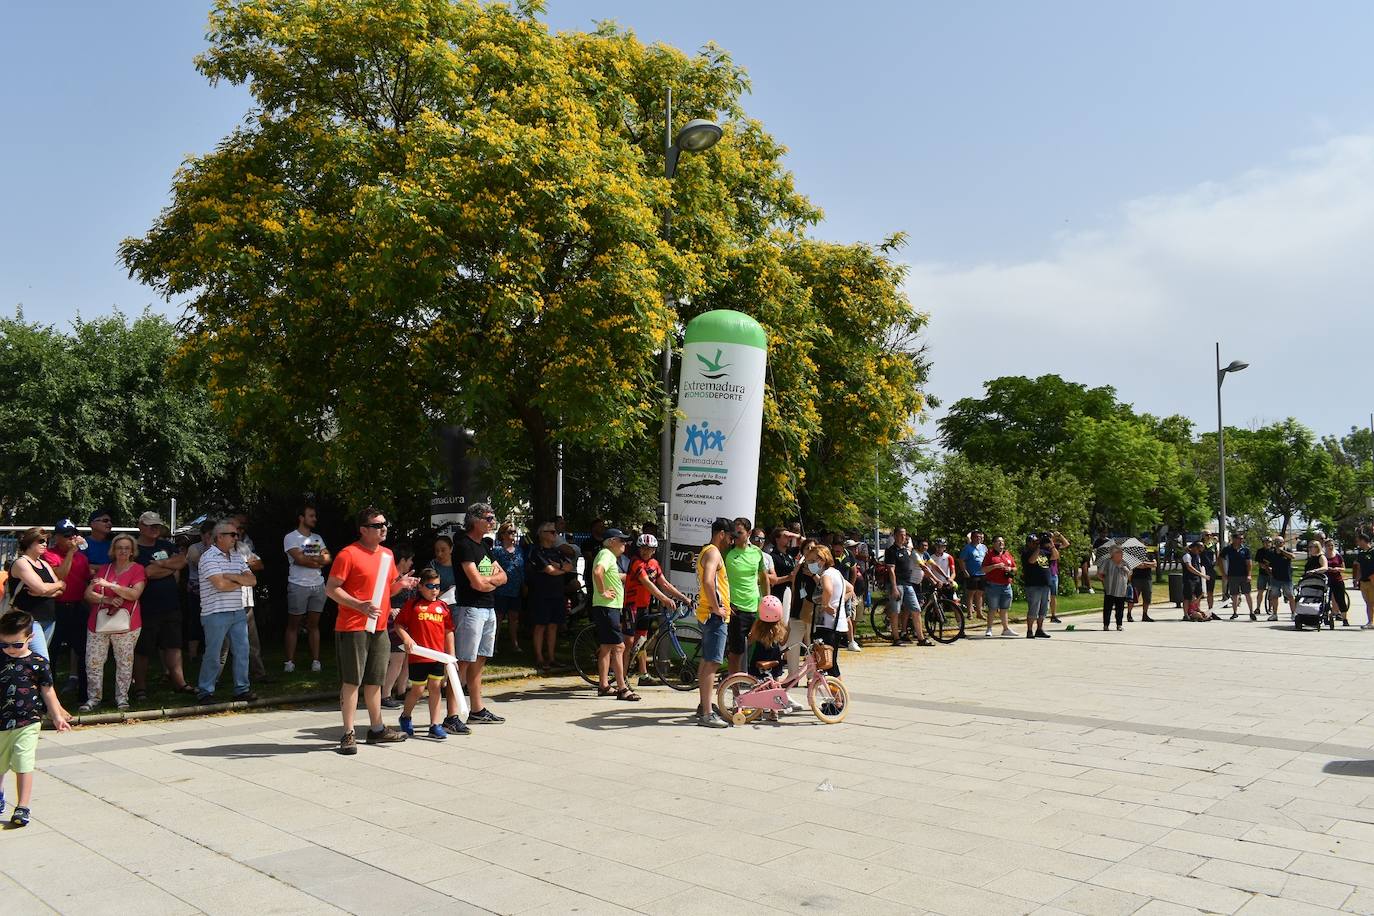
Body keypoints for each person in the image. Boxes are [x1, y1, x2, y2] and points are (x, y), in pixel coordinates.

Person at [324, 507, 417, 754]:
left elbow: (388, 589)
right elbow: (331, 589)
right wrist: (358, 605)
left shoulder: (387, 555)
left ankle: (376, 729)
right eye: (377, 525)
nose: (383, 528)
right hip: (353, 626)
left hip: (379, 627)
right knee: (352, 681)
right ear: (363, 530)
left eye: (384, 524)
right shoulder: (348, 554)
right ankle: (348, 733)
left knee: (375, 680)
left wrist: (402, 583)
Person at [0, 610, 73, 828]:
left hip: (27, 722)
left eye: (16, 644)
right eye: (4, 645)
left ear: (30, 638)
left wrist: (57, 716)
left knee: (24, 763)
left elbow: (47, 691)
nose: (10, 650)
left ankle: (22, 806)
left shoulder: (38, 662)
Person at [452, 503, 508, 724]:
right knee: (463, 662)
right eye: (489, 517)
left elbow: (504, 576)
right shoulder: (464, 545)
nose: (492, 521)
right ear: (475, 520)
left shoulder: (484, 545)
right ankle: (452, 714)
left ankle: (477, 709)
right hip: (471, 610)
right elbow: (476, 583)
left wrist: (490, 582)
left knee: (480, 660)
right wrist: (491, 582)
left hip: (488, 608)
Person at [132, 511, 194, 701]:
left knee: (174, 645)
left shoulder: (166, 545)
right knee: (143, 649)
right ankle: (140, 687)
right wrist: (169, 568)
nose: (154, 529)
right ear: (141, 526)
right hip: (146, 607)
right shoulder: (134, 549)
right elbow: (146, 573)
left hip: (171, 605)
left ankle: (179, 682)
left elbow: (182, 560)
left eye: (157, 525)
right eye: (150, 525)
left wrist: (162, 563)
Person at [80, 534, 146, 712]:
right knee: (93, 661)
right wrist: (107, 600)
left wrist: (110, 586)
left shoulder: (138, 569)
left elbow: (134, 595)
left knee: (124, 662)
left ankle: (122, 698)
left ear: (132, 551)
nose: (123, 551)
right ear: (114, 550)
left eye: (127, 548)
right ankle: (93, 698)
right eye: (119, 548)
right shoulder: (104, 569)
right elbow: (88, 594)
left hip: (127, 624)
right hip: (98, 622)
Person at [195, 521, 258, 704]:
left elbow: (252, 580)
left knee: (242, 650)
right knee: (213, 654)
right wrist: (240, 580)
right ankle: (205, 691)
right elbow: (220, 585)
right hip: (215, 612)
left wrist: (232, 577)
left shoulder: (237, 556)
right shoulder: (208, 558)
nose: (235, 537)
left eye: (236, 534)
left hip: (237, 610)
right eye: (232, 534)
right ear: (219, 537)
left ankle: (242, 689)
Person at [394, 568, 457, 740]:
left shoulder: (443, 607)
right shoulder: (412, 605)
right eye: (430, 586)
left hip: (437, 656)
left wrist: (451, 656)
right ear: (421, 586)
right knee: (418, 689)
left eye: (437, 586)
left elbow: (448, 632)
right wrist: (407, 639)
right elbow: (398, 624)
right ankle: (405, 716)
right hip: (419, 656)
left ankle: (434, 725)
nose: (434, 590)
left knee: (436, 688)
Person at [624, 533, 688, 686]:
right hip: (631, 606)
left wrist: (684, 598)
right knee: (629, 642)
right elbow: (648, 584)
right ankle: (623, 678)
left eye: (650, 549)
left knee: (642, 641)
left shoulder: (654, 563)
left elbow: (665, 584)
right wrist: (665, 599)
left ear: (654, 550)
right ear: (639, 549)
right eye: (644, 548)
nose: (646, 552)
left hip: (644, 606)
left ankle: (643, 674)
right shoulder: (636, 562)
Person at [43, 520, 91, 699]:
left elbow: (86, 578)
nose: (72, 539)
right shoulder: (49, 555)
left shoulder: (83, 558)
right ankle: (48, 697)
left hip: (78, 607)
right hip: (57, 608)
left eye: (73, 535)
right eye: (66, 536)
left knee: (83, 650)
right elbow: (60, 574)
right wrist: (71, 552)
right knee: (51, 653)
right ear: (57, 537)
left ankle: (84, 694)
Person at [590, 528, 638, 700]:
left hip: (608, 607)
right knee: (619, 647)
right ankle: (622, 688)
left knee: (606, 647)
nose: (625, 544)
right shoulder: (606, 554)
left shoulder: (608, 556)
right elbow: (598, 572)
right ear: (611, 541)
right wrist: (603, 591)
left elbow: (609, 573)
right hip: (607, 606)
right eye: (621, 540)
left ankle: (603, 685)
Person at [283, 503, 331, 674]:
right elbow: (299, 559)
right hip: (298, 585)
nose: (314, 519)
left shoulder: (317, 537)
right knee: (293, 624)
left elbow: (327, 559)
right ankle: (289, 662)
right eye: (311, 516)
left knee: (314, 625)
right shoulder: (291, 537)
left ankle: (316, 661)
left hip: (318, 585)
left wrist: (308, 558)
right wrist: (316, 559)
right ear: (301, 518)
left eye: (315, 516)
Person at [694, 518, 733, 728]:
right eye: (729, 537)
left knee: (706, 661)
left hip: (712, 614)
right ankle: (707, 714)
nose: (730, 541)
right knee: (712, 663)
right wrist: (717, 607)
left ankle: (704, 706)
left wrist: (724, 604)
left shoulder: (708, 551)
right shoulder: (713, 552)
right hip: (714, 617)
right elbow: (709, 580)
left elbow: (715, 584)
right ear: (721, 534)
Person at [8, 528, 65, 665]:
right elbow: (42, 587)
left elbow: (63, 587)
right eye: (41, 541)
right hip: (29, 620)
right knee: (41, 662)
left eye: (46, 541)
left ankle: (29, 686)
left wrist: (48, 590)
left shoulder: (44, 564)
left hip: (49, 619)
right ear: (29, 542)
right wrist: (48, 589)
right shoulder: (21, 563)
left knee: (31, 662)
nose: (45, 544)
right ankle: (42, 686)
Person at [724, 518, 769, 676]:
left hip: (755, 607)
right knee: (736, 653)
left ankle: (749, 680)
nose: (736, 535)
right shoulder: (727, 552)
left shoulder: (756, 552)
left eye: (740, 532)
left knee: (759, 644)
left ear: (749, 533)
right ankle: (734, 689)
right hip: (736, 608)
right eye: (734, 532)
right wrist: (726, 603)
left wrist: (767, 601)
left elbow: (764, 578)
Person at [526, 521, 573, 671]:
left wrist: (559, 567)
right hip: (541, 594)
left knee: (553, 626)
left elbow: (568, 566)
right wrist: (561, 568)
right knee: (540, 625)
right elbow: (549, 570)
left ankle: (551, 657)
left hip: (557, 593)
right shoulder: (537, 551)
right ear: (542, 534)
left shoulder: (558, 552)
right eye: (552, 532)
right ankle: (539, 657)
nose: (556, 535)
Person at [381, 546, 417, 709]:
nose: (411, 563)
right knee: (396, 659)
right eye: (409, 560)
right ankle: (385, 694)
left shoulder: (402, 577)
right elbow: (381, 596)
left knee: (405, 657)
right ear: (402, 560)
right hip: (392, 623)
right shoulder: (391, 577)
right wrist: (390, 610)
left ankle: (401, 690)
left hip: (405, 622)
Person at [885, 528, 932, 647]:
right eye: (900, 535)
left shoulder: (906, 550)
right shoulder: (891, 551)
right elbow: (891, 570)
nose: (903, 537)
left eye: (905, 535)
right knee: (895, 611)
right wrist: (894, 587)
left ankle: (921, 638)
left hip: (908, 583)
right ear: (895, 536)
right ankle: (896, 638)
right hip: (898, 584)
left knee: (916, 609)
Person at [807, 543, 849, 677]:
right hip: (836, 623)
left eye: (813, 561)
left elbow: (828, 589)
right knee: (831, 661)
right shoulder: (836, 573)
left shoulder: (826, 575)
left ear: (822, 560)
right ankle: (837, 693)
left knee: (828, 662)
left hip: (828, 624)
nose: (810, 564)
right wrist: (838, 604)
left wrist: (825, 605)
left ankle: (838, 694)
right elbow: (850, 589)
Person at [183, 520, 215, 662]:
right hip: (196, 591)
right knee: (195, 621)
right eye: (209, 535)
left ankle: (211, 652)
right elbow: (203, 564)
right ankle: (193, 654)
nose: (212, 538)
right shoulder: (194, 548)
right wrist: (210, 547)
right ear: (202, 535)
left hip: (213, 591)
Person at [492, 522, 525, 655]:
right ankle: (494, 644)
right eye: (510, 532)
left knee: (514, 617)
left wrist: (523, 584)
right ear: (503, 535)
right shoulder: (497, 551)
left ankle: (514, 643)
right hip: (501, 589)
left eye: (514, 532)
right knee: (498, 617)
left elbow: (522, 569)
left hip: (516, 589)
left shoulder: (519, 550)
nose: (512, 535)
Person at [982, 536, 1018, 636]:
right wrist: (995, 566)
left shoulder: (1007, 554)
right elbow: (983, 569)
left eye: (1002, 541)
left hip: (1006, 585)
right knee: (993, 608)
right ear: (994, 544)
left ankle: (1005, 629)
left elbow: (1015, 568)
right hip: (993, 585)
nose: (1001, 543)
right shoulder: (990, 555)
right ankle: (989, 629)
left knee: (1004, 608)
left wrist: (1010, 569)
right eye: (998, 541)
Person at [1021, 534, 1055, 639]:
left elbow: (1055, 556)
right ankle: (1029, 631)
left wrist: (1051, 544)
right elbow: (1032, 560)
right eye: (1033, 542)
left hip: (1045, 584)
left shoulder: (1045, 552)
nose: (1036, 543)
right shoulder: (1026, 553)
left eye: (1037, 541)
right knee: (1033, 608)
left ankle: (1039, 629)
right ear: (1028, 543)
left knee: (1044, 609)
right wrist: (1038, 548)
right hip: (1033, 585)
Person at [1220, 532, 1255, 620]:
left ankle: (1251, 612)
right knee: (1234, 594)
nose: (1241, 540)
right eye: (1240, 538)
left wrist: (1249, 574)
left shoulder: (1245, 549)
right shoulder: (1228, 549)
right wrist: (1223, 573)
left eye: (1242, 539)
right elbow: (1219, 559)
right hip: (1232, 575)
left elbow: (1249, 563)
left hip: (1244, 575)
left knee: (1247, 593)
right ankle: (1235, 612)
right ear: (1234, 539)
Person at [1096, 546, 1130, 631]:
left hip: (1121, 590)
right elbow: (1099, 574)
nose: (1121, 554)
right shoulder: (1107, 562)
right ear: (1113, 554)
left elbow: (1130, 575)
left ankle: (1119, 625)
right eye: (1118, 552)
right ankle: (1106, 625)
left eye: (1121, 552)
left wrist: (1125, 570)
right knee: (1107, 608)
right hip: (1110, 589)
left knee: (1120, 609)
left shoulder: (1125, 563)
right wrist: (1105, 581)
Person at [1181, 541, 1218, 621]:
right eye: (1199, 549)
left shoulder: (1197, 556)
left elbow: (1200, 566)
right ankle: (1186, 614)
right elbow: (1189, 567)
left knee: (1198, 595)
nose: (1200, 552)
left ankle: (1197, 611)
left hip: (1197, 579)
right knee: (1187, 597)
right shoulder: (1187, 555)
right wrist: (1202, 575)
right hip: (1189, 579)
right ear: (1194, 547)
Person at [958, 530, 987, 623]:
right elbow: (961, 560)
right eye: (976, 537)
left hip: (982, 573)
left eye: (980, 537)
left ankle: (979, 612)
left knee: (980, 593)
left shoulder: (983, 547)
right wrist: (964, 571)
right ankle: (970, 612)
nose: (978, 538)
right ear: (972, 538)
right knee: (971, 593)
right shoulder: (967, 548)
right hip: (972, 573)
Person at [1267, 537, 1297, 621]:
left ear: (1283, 543)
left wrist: (1282, 551)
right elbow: (1267, 563)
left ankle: (1293, 613)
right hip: (1275, 578)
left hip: (1287, 578)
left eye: (1279, 542)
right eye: (1276, 542)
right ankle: (1274, 614)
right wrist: (1269, 571)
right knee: (1274, 596)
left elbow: (1292, 557)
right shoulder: (1271, 552)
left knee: (1290, 596)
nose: (1277, 544)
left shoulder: (1287, 550)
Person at [1126, 546, 1158, 623]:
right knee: (1133, 598)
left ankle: (1145, 614)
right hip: (1136, 579)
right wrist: (1148, 565)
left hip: (1147, 579)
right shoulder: (1134, 556)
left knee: (1147, 597)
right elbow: (1137, 566)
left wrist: (1144, 564)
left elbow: (1155, 564)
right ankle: (1129, 614)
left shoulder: (1150, 554)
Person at [1323, 537, 1349, 626]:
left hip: (1337, 580)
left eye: (1332, 545)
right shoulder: (1323, 556)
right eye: (1328, 545)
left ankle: (1344, 619)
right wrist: (1327, 568)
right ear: (1324, 546)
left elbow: (1343, 568)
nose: (1330, 547)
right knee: (1325, 600)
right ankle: (1325, 616)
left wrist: (1337, 569)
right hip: (1327, 580)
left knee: (1340, 599)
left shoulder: (1338, 556)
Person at [1351, 532, 1374, 629]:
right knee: (1368, 602)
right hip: (1363, 581)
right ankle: (1370, 622)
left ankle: (1371, 621)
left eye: (1359, 541)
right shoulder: (1361, 554)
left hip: (1372, 580)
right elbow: (1359, 568)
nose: (1358, 543)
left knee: (1372, 602)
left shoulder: (1373, 551)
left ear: (1363, 540)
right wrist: (1357, 580)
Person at [1047, 531, 1070, 623]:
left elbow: (1066, 544)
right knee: (1044, 596)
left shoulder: (1054, 547)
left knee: (1053, 596)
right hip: (1045, 574)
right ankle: (1041, 614)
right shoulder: (1042, 548)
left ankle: (1053, 615)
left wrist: (1060, 535)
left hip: (1053, 573)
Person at [1199, 533, 1219, 613]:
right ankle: (1197, 610)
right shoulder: (1200, 545)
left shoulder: (1213, 545)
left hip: (1211, 569)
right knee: (1200, 591)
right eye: (1207, 535)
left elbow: (1217, 557)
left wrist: (1216, 563)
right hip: (1202, 569)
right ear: (1203, 535)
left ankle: (1210, 610)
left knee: (1210, 591)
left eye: (1210, 535)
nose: (1209, 536)